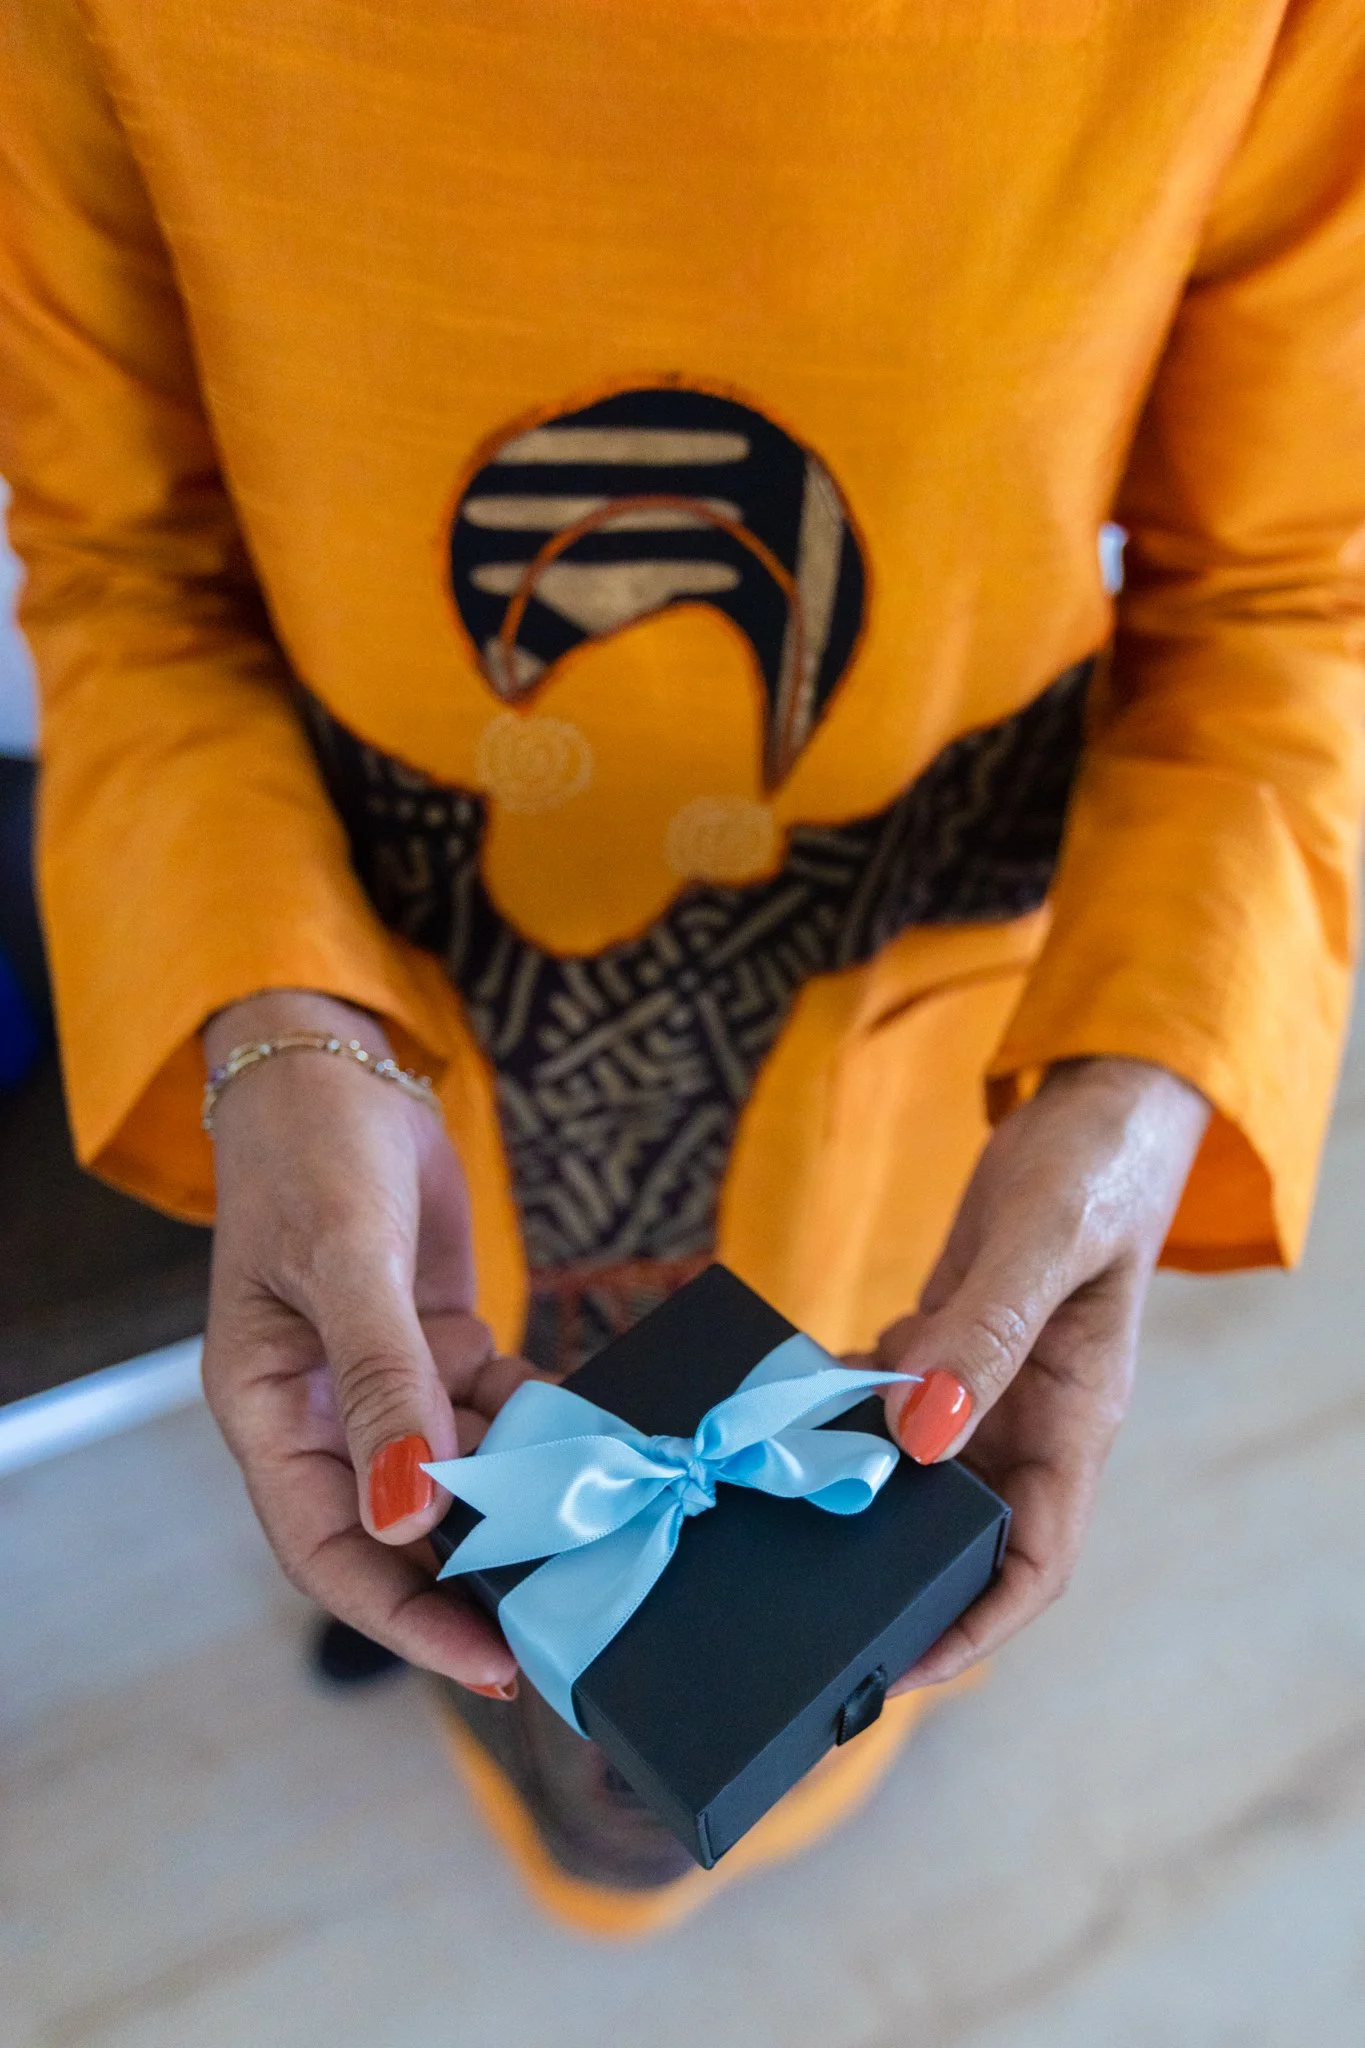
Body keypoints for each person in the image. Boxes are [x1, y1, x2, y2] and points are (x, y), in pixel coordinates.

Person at [2, 0, 1361, 1938]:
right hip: (382, 1097)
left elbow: (1282, 588)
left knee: (779, 1649)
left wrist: (1147, 1073)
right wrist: (268, 1014)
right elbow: (129, 568)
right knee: (435, 1519)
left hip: (915, 1136)